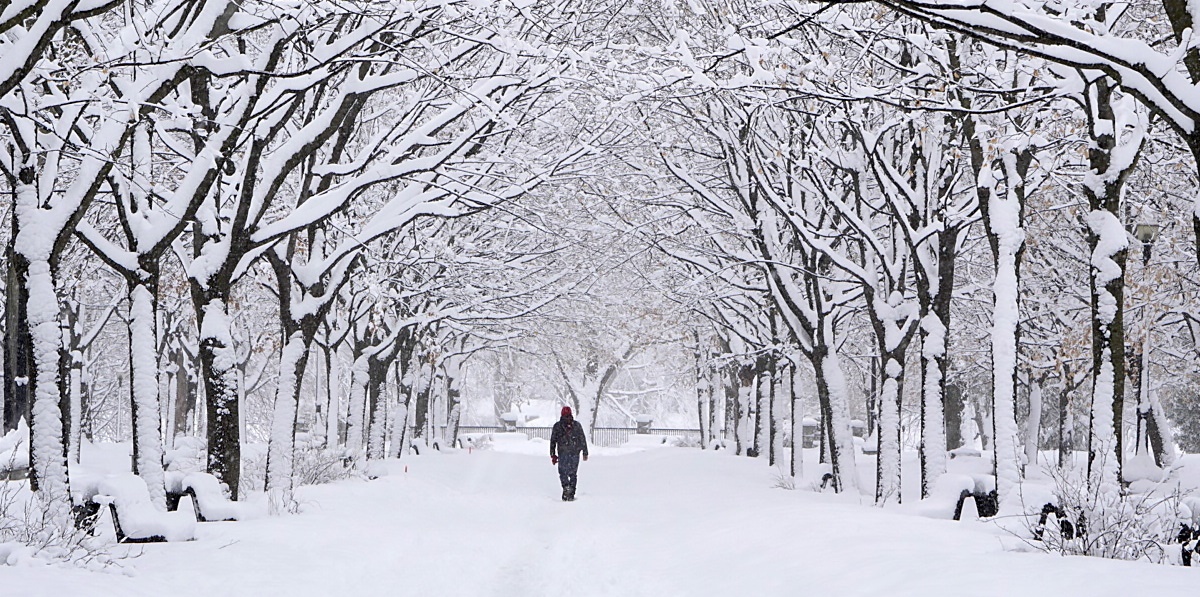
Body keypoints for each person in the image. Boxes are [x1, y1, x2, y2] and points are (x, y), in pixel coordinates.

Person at [549, 406, 588, 501]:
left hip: (563, 452)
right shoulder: (576, 425)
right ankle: (571, 492)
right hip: (574, 452)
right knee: (573, 473)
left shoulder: (557, 426)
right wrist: (585, 452)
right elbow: (582, 438)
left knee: (563, 472)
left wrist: (553, 454)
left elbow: (553, 441)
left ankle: (566, 488)